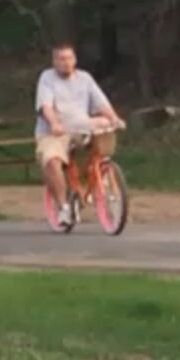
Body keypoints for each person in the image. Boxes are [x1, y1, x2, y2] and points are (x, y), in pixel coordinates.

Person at [34, 43, 125, 226]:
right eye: (61, 59)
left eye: (69, 58)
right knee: (52, 161)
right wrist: (54, 123)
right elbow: (46, 107)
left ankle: (101, 177)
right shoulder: (47, 78)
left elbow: (101, 103)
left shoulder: (85, 78)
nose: (65, 63)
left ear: (75, 60)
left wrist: (115, 118)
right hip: (56, 131)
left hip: (82, 127)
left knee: (105, 130)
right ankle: (64, 208)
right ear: (54, 61)